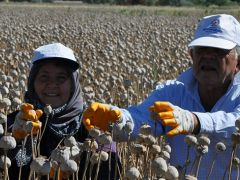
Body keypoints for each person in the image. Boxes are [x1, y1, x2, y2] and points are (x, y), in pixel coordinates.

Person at [82, 14, 240, 179]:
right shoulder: (173, 91)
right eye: (202, 50)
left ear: (238, 61)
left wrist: (195, 121)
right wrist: (118, 119)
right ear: (192, 56)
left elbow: (235, 123)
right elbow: (143, 118)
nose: (208, 56)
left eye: (219, 51)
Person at [6, 43, 119, 180]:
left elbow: (111, 172)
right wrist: (15, 141)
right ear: (32, 83)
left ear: (73, 84)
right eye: (44, 77)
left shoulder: (92, 122)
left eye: (61, 78)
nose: (52, 84)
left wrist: (96, 149)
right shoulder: (14, 122)